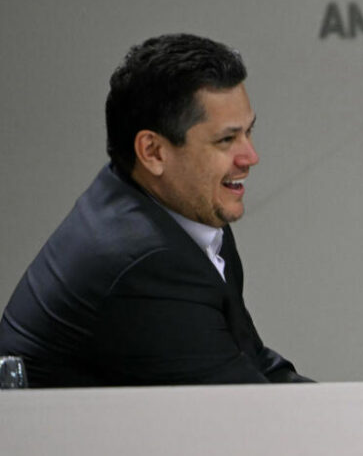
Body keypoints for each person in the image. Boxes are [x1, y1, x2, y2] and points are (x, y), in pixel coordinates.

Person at [0, 34, 312, 386]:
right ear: (153, 152)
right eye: (226, 140)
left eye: (248, 133)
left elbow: (250, 359)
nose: (250, 157)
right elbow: (243, 411)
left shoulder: (178, 211)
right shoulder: (145, 260)